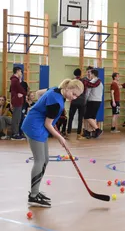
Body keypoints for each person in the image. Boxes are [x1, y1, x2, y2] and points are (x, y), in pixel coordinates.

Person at [21, 79, 84, 207]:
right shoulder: (56, 103)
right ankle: (33, 196)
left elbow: (39, 93)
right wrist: (60, 137)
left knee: (45, 160)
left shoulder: (55, 89)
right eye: (74, 94)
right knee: (40, 160)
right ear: (67, 89)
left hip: (38, 126)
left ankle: (36, 191)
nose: (74, 98)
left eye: (77, 96)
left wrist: (39, 108)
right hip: (35, 127)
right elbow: (48, 124)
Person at [83, 69, 104, 138]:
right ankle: (93, 131)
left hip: (92, 100)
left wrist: (85, 101)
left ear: (93, 74)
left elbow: (87, 93)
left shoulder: (91, 82)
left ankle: (97, 130)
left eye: (90, 73)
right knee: (93, 117)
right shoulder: (100, 82)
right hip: (98, 101)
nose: (89, 75)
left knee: (87, 116)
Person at [67, 68, 86, 140]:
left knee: (71, 118)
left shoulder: (72, 81)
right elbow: (85, 90)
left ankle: (68, 133)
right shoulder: (84, 81)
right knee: (80, 118)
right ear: (80, 74)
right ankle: (79, 135)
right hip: (82, 101)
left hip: (74, 101)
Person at [10, 66, 27, 140]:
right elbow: (22, 90)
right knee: (16, 118)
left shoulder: (16, 80)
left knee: (18, 117)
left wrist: (21, 93)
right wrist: (22, 93)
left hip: (18, 100)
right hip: (17, 101)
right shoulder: (15, 80)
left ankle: (16, 133)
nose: (21, 73)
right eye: (20, 71)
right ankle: (15, 134)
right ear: (17, 71)